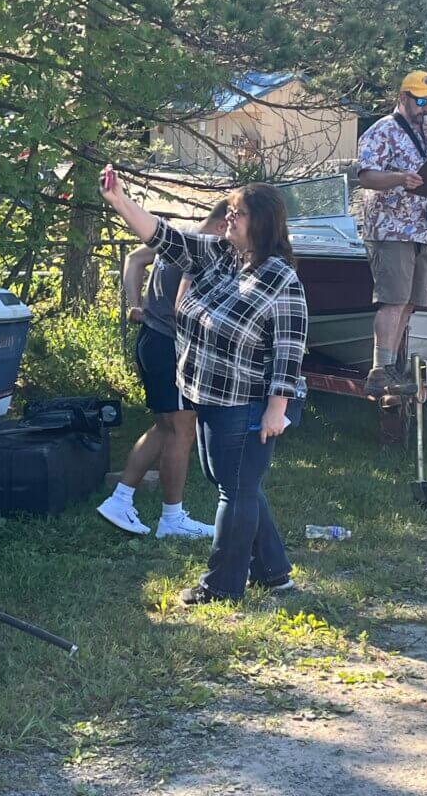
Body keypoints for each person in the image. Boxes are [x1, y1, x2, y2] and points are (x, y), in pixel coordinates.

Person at [100, 169, 308, 605]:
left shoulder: (281, 279)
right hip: (208, 392)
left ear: (263, 223)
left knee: (234, 488)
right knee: (236, 482)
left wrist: (276, 409)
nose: (229, 219)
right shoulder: (217, 254)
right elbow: (164, 237)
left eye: (239, 214)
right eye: (229, 211)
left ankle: (222, 586)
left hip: (251, 401)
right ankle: (274, 574)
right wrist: (120, 202)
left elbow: (290, 350)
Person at [97, 201, 229, 538]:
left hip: (151, 339)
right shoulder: (206, 250)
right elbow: (184, 307)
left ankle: (120, 499)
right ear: (222, 225)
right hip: (170, 345)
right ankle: (172, 519)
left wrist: (135, 303)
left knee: (164, 428)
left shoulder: (181, 237)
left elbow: (135, 259)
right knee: (182, 431)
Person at [357, 70, 427, 397]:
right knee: (394, 298)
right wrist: (400, 178)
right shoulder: (383, 131)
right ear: (403, 97)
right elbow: (366, 176)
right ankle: (380, 370)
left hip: (423, 229)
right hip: (390, 228)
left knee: (411, 301)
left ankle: (393, 369)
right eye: (421, 101)